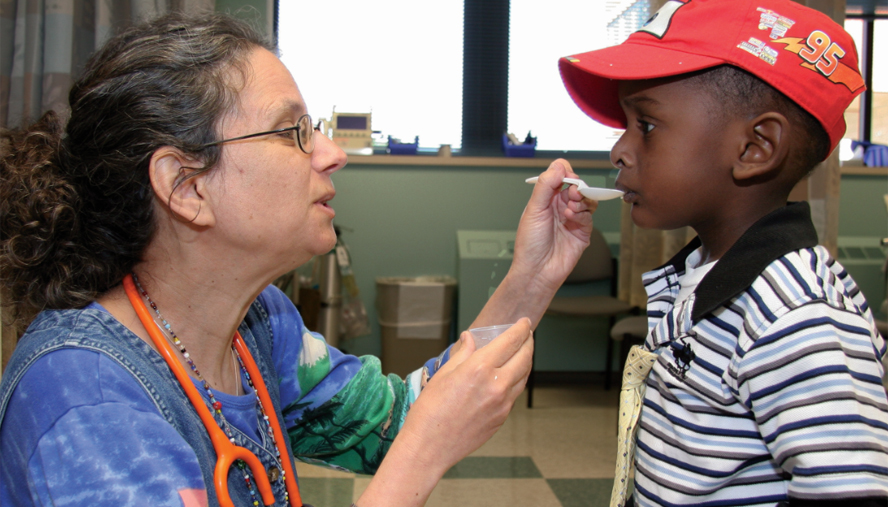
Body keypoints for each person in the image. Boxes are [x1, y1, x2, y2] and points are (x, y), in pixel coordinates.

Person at [0, 12, 598, 507]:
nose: (333, 154)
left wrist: (532, 276)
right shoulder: (86, 403)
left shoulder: (261, 325)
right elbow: (416, 441)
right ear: (186, 187)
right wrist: (423, 456)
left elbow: (398, 423)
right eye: (292, 132)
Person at [557, 0, 888, 506]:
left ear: (755, 148)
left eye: (645, 125)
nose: (619, 150)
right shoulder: (700, 277)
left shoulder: (795, 315)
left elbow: (850, 490)